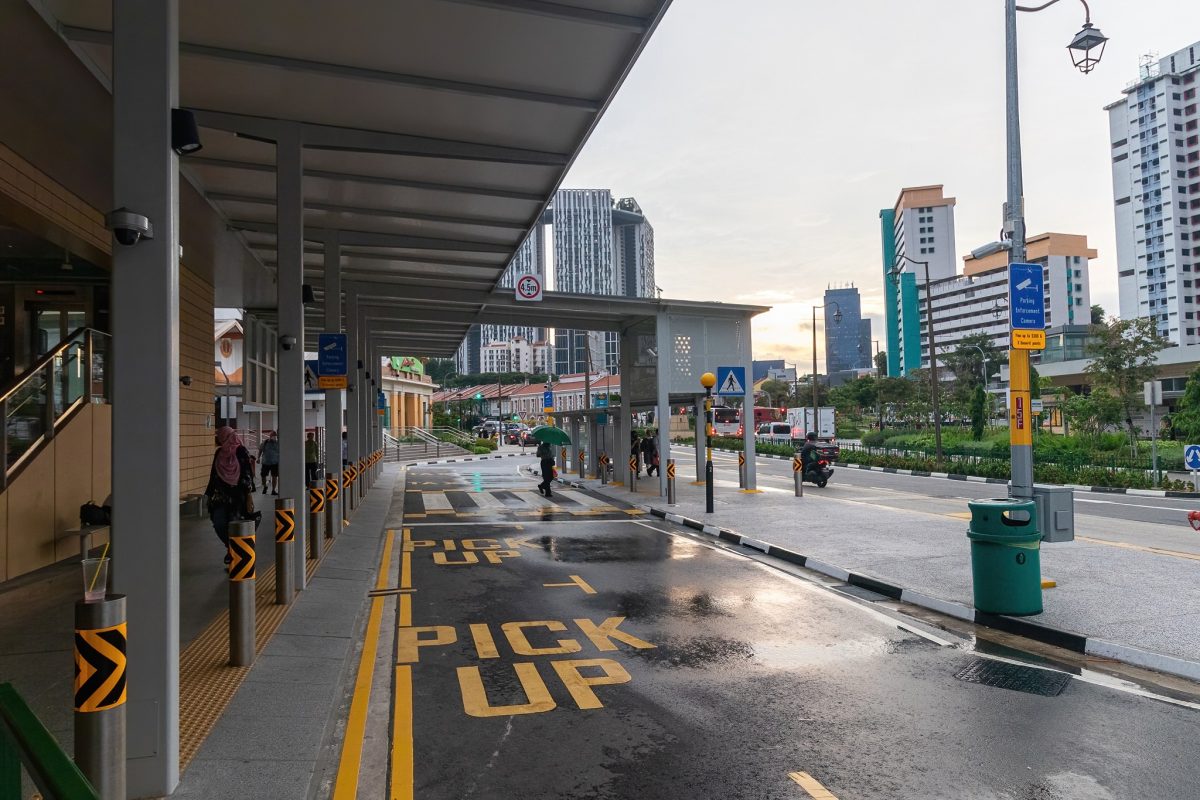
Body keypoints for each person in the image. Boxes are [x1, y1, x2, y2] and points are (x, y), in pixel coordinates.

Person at [205, 426, 256, 569]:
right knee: (219, 523)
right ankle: (231, 547)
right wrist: (208, 494)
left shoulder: (241, 451)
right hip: (221, 497)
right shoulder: (219, 453)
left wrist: (249, 497)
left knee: (235, 526)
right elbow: (213, 474)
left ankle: (237, 558)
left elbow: (247, 474)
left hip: (238, 497)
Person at [258, 430, 280, 495]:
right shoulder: (265, 442)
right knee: (263, 475)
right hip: (265, 462)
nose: (274, 437)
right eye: (272, 435)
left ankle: (273, 490)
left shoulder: (278, 443)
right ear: (270, 436)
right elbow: (260, 450)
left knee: (274, 476)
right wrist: (258, 458)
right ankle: (265, 486)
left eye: (275, 435)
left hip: (275, 462)